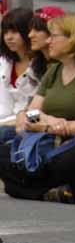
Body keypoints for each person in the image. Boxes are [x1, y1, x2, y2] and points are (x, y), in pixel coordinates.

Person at [0, 13, 75, 203]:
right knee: (7, 149)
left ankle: (24, 188)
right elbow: (32, 111)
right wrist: (43, 122)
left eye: (54, 36)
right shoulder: (54, 71)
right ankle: (49, 191)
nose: (48, 41)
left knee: (64, 162)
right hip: (50, 138)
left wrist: (51, 126)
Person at [0, 8, 40, 144]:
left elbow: (41, 111)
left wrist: (12, 122)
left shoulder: (41, 64)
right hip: (7, 120)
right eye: (5, 32)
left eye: (14, 32)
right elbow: (3, 107)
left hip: (31, 122)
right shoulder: (4, 62)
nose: (8, 37)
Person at [28, 6, 66, 79]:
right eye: (30, 29)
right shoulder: (35, 62)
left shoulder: (65, 66)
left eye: (37, 30)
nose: (30, 35)